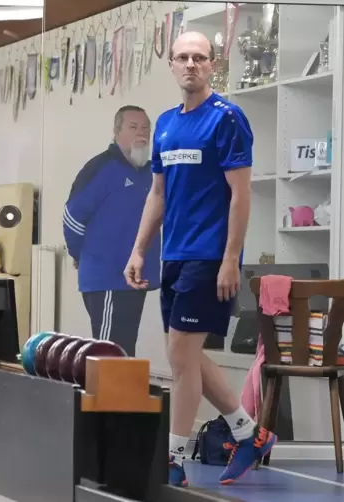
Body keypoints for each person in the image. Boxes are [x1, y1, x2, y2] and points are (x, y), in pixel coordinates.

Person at [124, 31, 275, 487]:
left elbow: (241, 195)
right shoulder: (167, 123)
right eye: (183, 57)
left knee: (179, 356)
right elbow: (158, 193)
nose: (191, 64)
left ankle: (173, 461)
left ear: (213, 64)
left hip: (209, 258)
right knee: (187, 356)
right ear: (171, 64)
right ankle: (249, 433)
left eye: (199, 58)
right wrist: (138, 249)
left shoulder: (228, 119)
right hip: (175, 256)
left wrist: (231, 258)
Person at [63, 105, 160, 356]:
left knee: (125, 352)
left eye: (146, 128)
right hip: (108, 279)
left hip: (136, 280)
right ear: (117, 132)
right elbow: (72, 217)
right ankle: (106, 397)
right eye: (133, 127)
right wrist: (79, 255)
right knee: (109, 354)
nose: (142, 134)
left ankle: (123, 397)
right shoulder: (101, 168)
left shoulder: (151, 173)